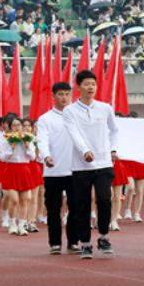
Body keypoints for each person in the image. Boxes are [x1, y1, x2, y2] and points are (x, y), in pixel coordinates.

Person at [63, 70, 119, 259]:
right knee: (81, 205)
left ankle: (103, 236)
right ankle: (85, 243)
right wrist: (84, 150)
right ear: (78, 87)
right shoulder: (70, 111)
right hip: (81, 165)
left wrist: (113, 149)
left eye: (93, 84)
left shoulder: (105, 108)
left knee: (104, 199)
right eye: (86, 84)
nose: (90, 87)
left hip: (103, 163)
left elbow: (115, 130)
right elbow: (73, 133)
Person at [37, 82, 80, 255]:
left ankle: (73, 242)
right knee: (53, 209)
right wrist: (46, 156)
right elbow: (42, 140)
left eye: (67, 94)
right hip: (53, 170)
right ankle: (55, 243)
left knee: (76, 208)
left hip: (75, 170)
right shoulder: (45, 119)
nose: (64, 98)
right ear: (53, 96)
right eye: (61, 94)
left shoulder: (77, 116)